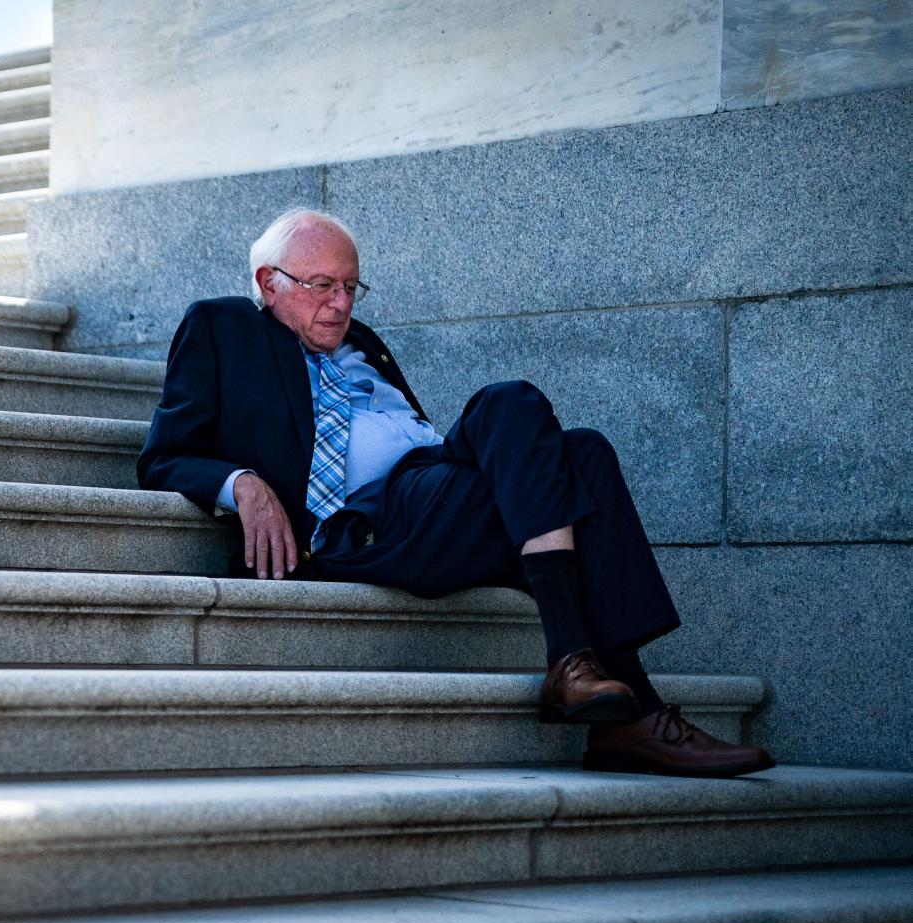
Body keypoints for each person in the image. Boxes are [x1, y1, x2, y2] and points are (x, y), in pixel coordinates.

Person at [138, 208, 773, 778]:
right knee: (531, 420)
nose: (340, 304)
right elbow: (165, 456)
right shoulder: (222, 327)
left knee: (583, 451)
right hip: (366, 522)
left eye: (350, 287)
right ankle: (615, 694)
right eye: (321, 285)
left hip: (431, 481)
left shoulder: (364, 346)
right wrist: (242, 483)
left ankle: (604, 698)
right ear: (268, 282)